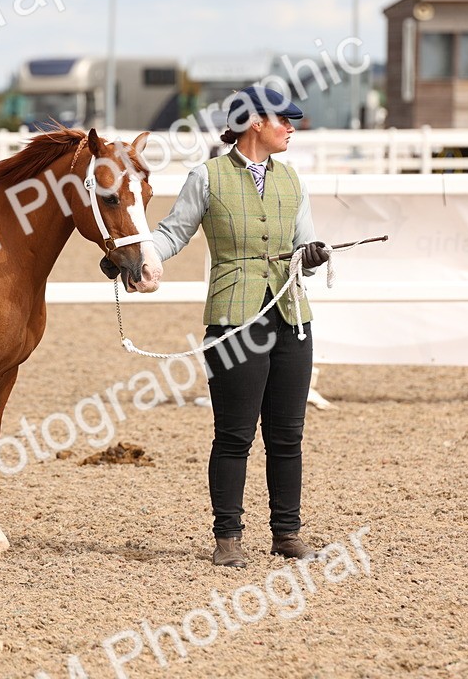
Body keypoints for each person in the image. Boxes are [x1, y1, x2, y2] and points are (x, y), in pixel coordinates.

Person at [104, 86, 328, 568]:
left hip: (291, 317)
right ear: (254, 123)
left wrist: (313, 256)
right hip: (233, 320)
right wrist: (138, 260)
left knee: (288, 434)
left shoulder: (293, 180)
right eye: (283, 120)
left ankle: (286, 532)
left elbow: (305, 245)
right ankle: (228, 536)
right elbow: (173, 233)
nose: (292, 128)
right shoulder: (206, 178)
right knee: (234, 434)